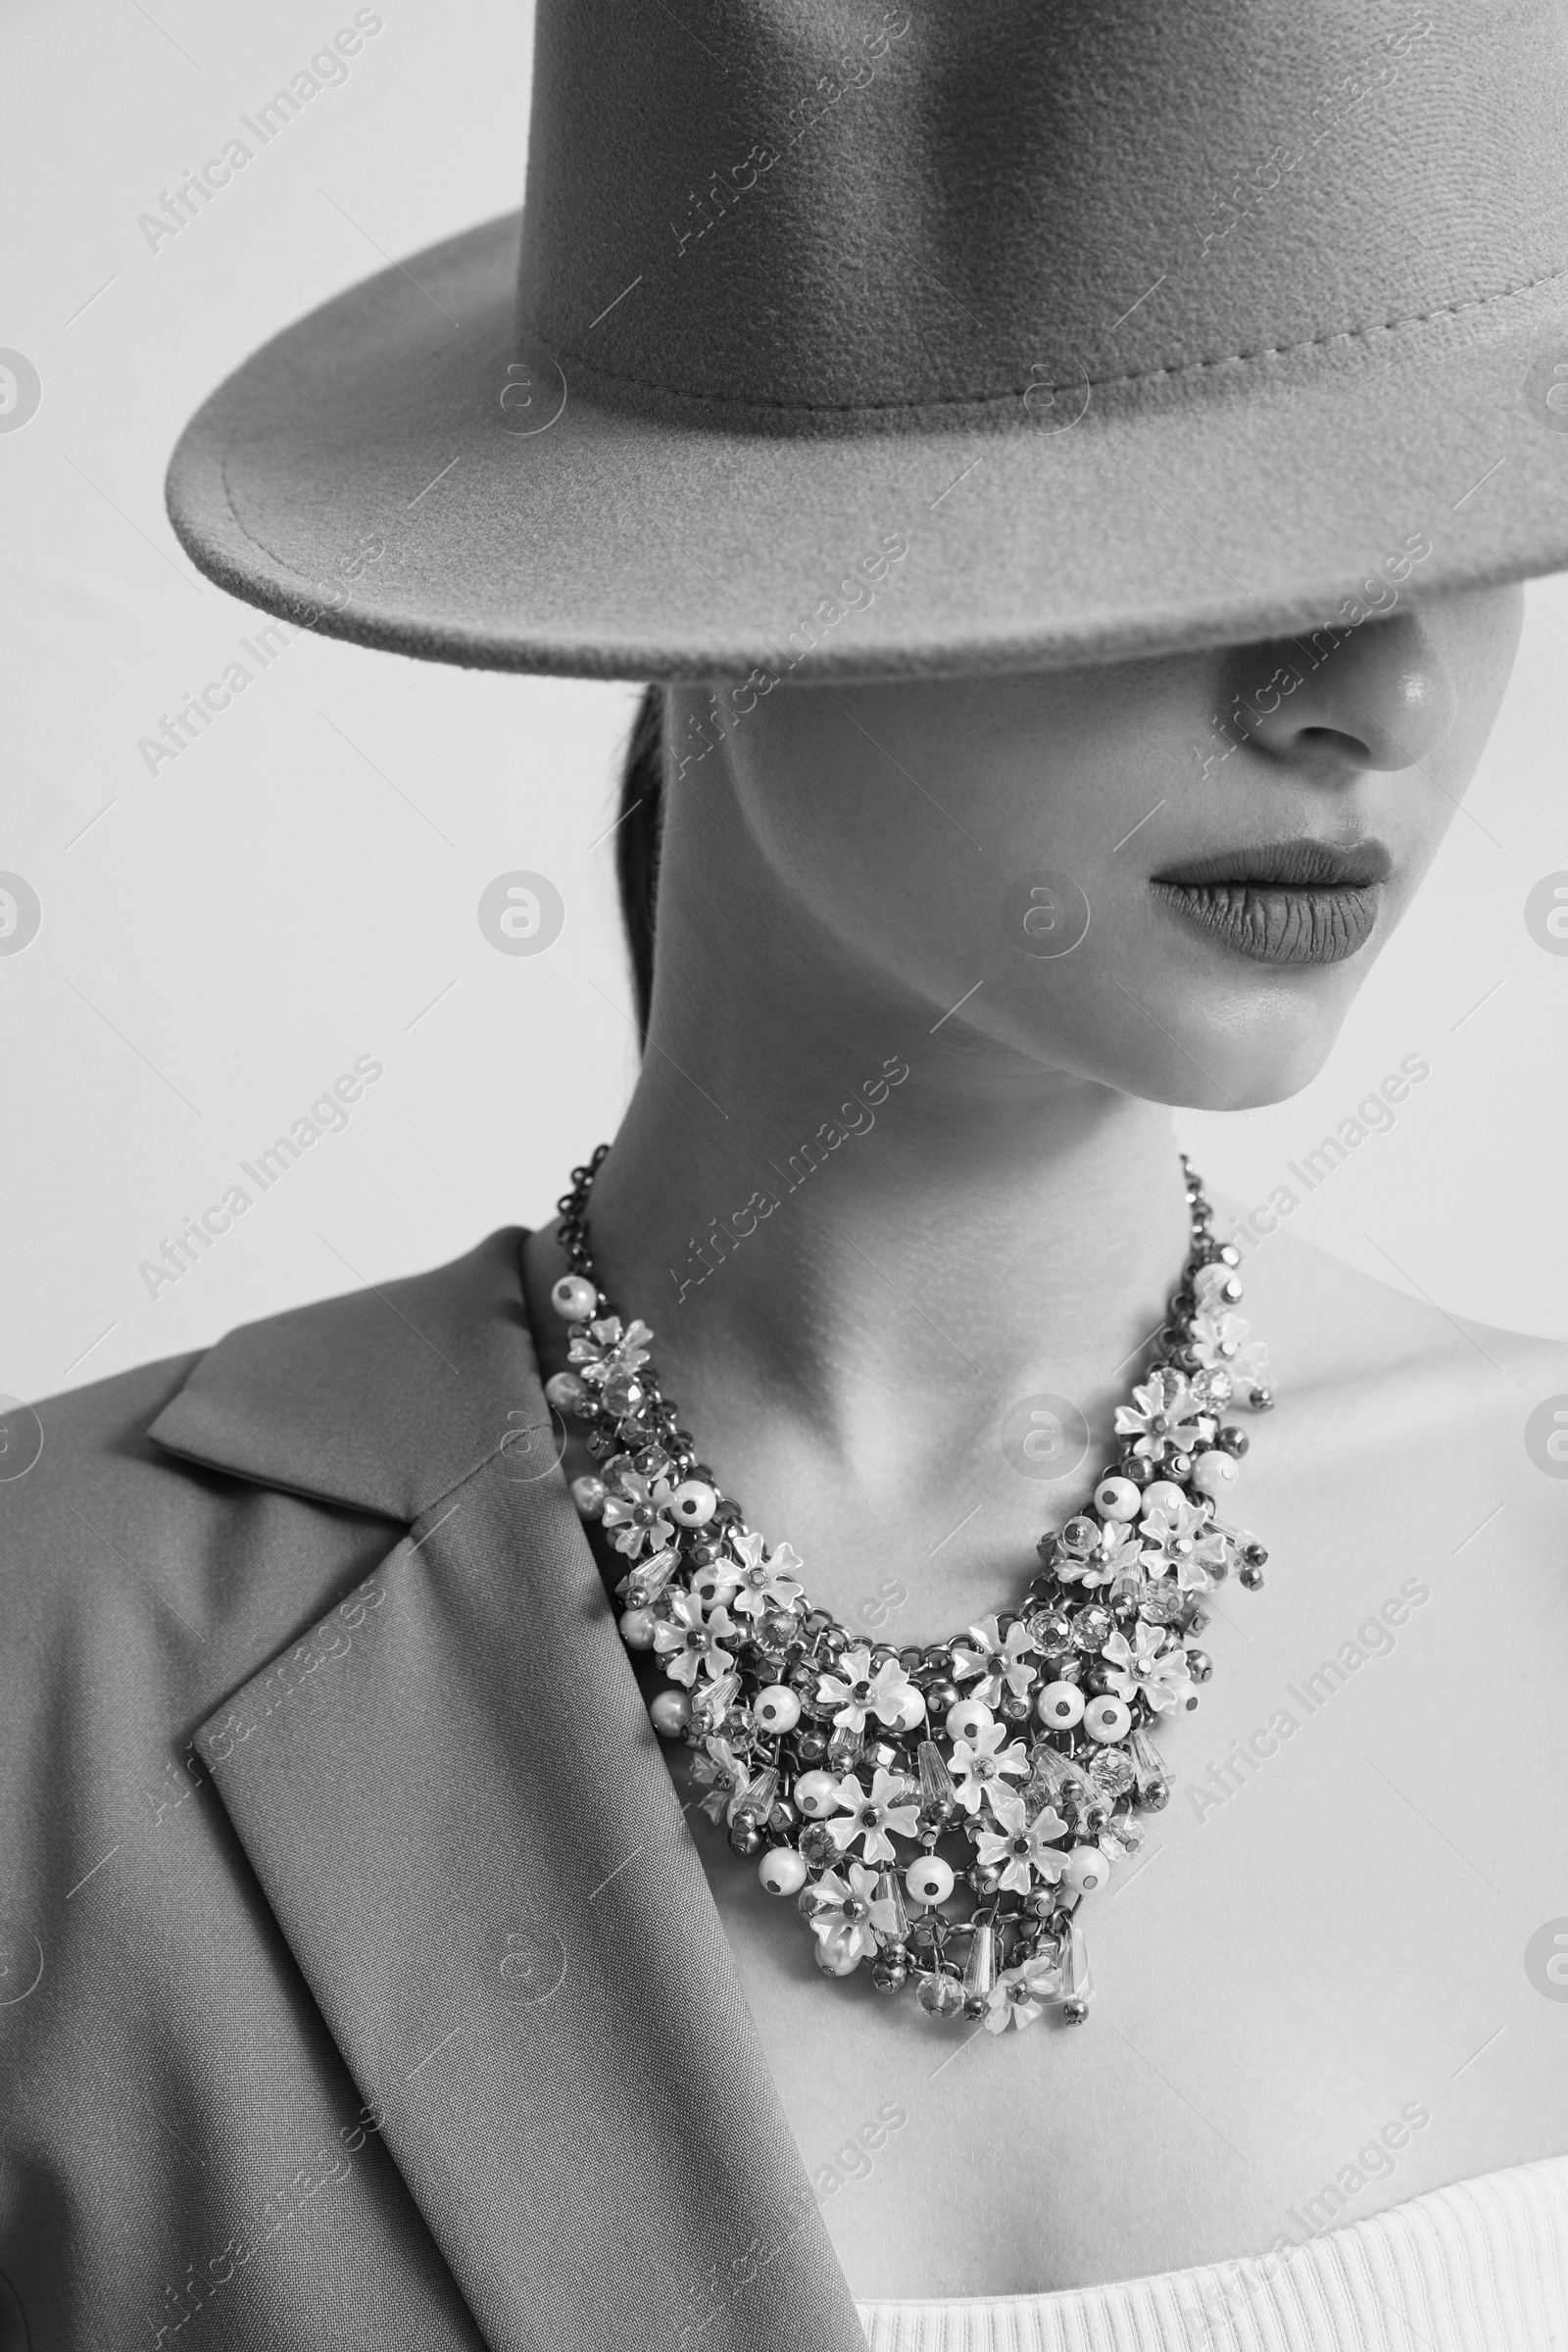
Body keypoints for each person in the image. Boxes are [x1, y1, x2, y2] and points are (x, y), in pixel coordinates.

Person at [5, 2, 1567, 2347]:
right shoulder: (57, 1663)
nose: (1374, 698)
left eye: (1458, 524)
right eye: (1183, 519)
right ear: (703, 569)